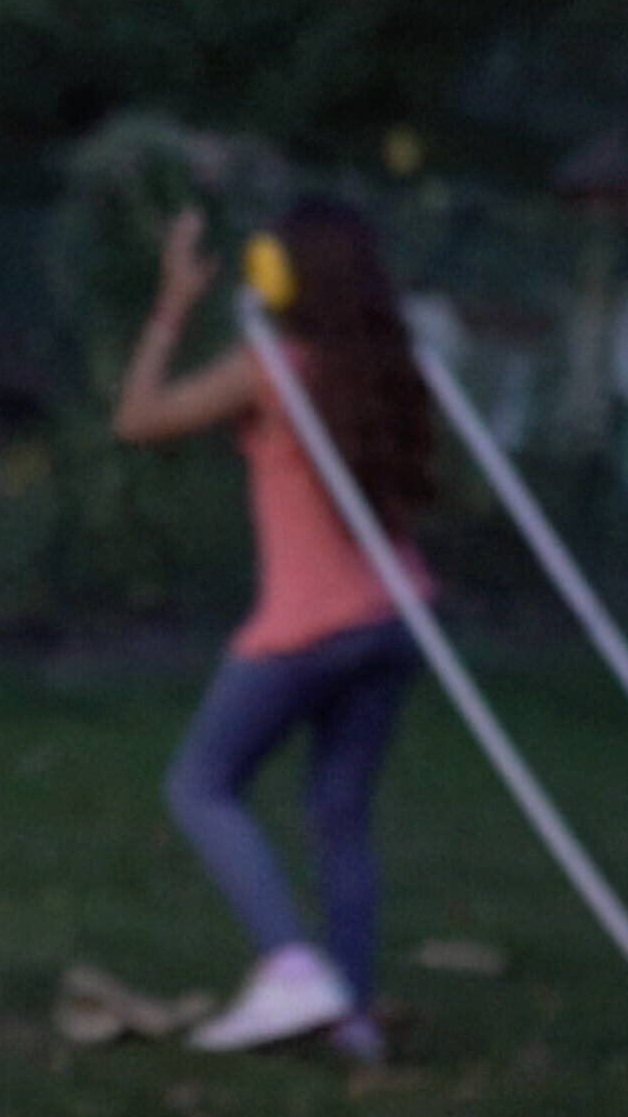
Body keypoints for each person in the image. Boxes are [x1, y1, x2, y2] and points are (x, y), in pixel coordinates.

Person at [111, 200, 438, 1063]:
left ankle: (292, 970)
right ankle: (354, 1019)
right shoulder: (389, 369)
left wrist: (173, 304)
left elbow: (140, 419)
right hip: (399, 617)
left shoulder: (277, 370)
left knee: (201, 784)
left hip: (310, 624)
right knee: (341, 814)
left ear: (281, 277)